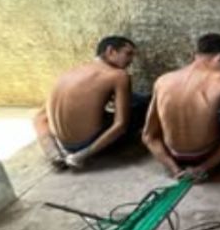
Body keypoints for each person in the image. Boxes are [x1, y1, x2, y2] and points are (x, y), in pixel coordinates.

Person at [33, 36, 146, 169]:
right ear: (111, 51)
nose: (131, 60)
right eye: (128, 54)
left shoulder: (72, 72)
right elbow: (120, 125)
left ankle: (55, 155)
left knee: (134, 97)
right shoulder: (119, 75)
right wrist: (82, 155)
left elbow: (39, 118)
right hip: (87, 144)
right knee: (147, 104)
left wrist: (53, 151)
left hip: (65, 145)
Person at [142, 34, 220, 181]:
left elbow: (148, 136)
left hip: (172, 154)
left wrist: (174, 169)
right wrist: (202, 168)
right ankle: (207, 167)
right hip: (205, 155)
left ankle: (175, 168)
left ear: (195, 53)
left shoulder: (163, 80)